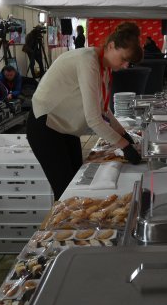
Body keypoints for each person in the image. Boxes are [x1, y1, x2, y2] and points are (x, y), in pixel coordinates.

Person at [26, 22, 144, 199]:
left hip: (66, 126)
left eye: (129, 62)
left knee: (76, 184)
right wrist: (124, 146)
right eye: (124, 59)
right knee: (65, 191)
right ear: (111, 46)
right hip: (46, 125)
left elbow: (103, 110)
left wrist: (123, 135)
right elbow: (94, 120)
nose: (126, 66)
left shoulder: (103, 66)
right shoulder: (88, 61)